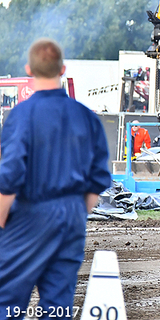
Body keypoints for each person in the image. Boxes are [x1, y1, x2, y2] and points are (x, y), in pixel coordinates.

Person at [0, 38, 111, 318]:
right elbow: (98, 178)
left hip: (31, 214)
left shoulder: (22, 115)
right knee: (58, 302)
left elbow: (10, 174)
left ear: (29, 69)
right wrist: (74, 213)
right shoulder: (87, 117)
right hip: (73, 214)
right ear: (62, 70)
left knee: (8, 300)